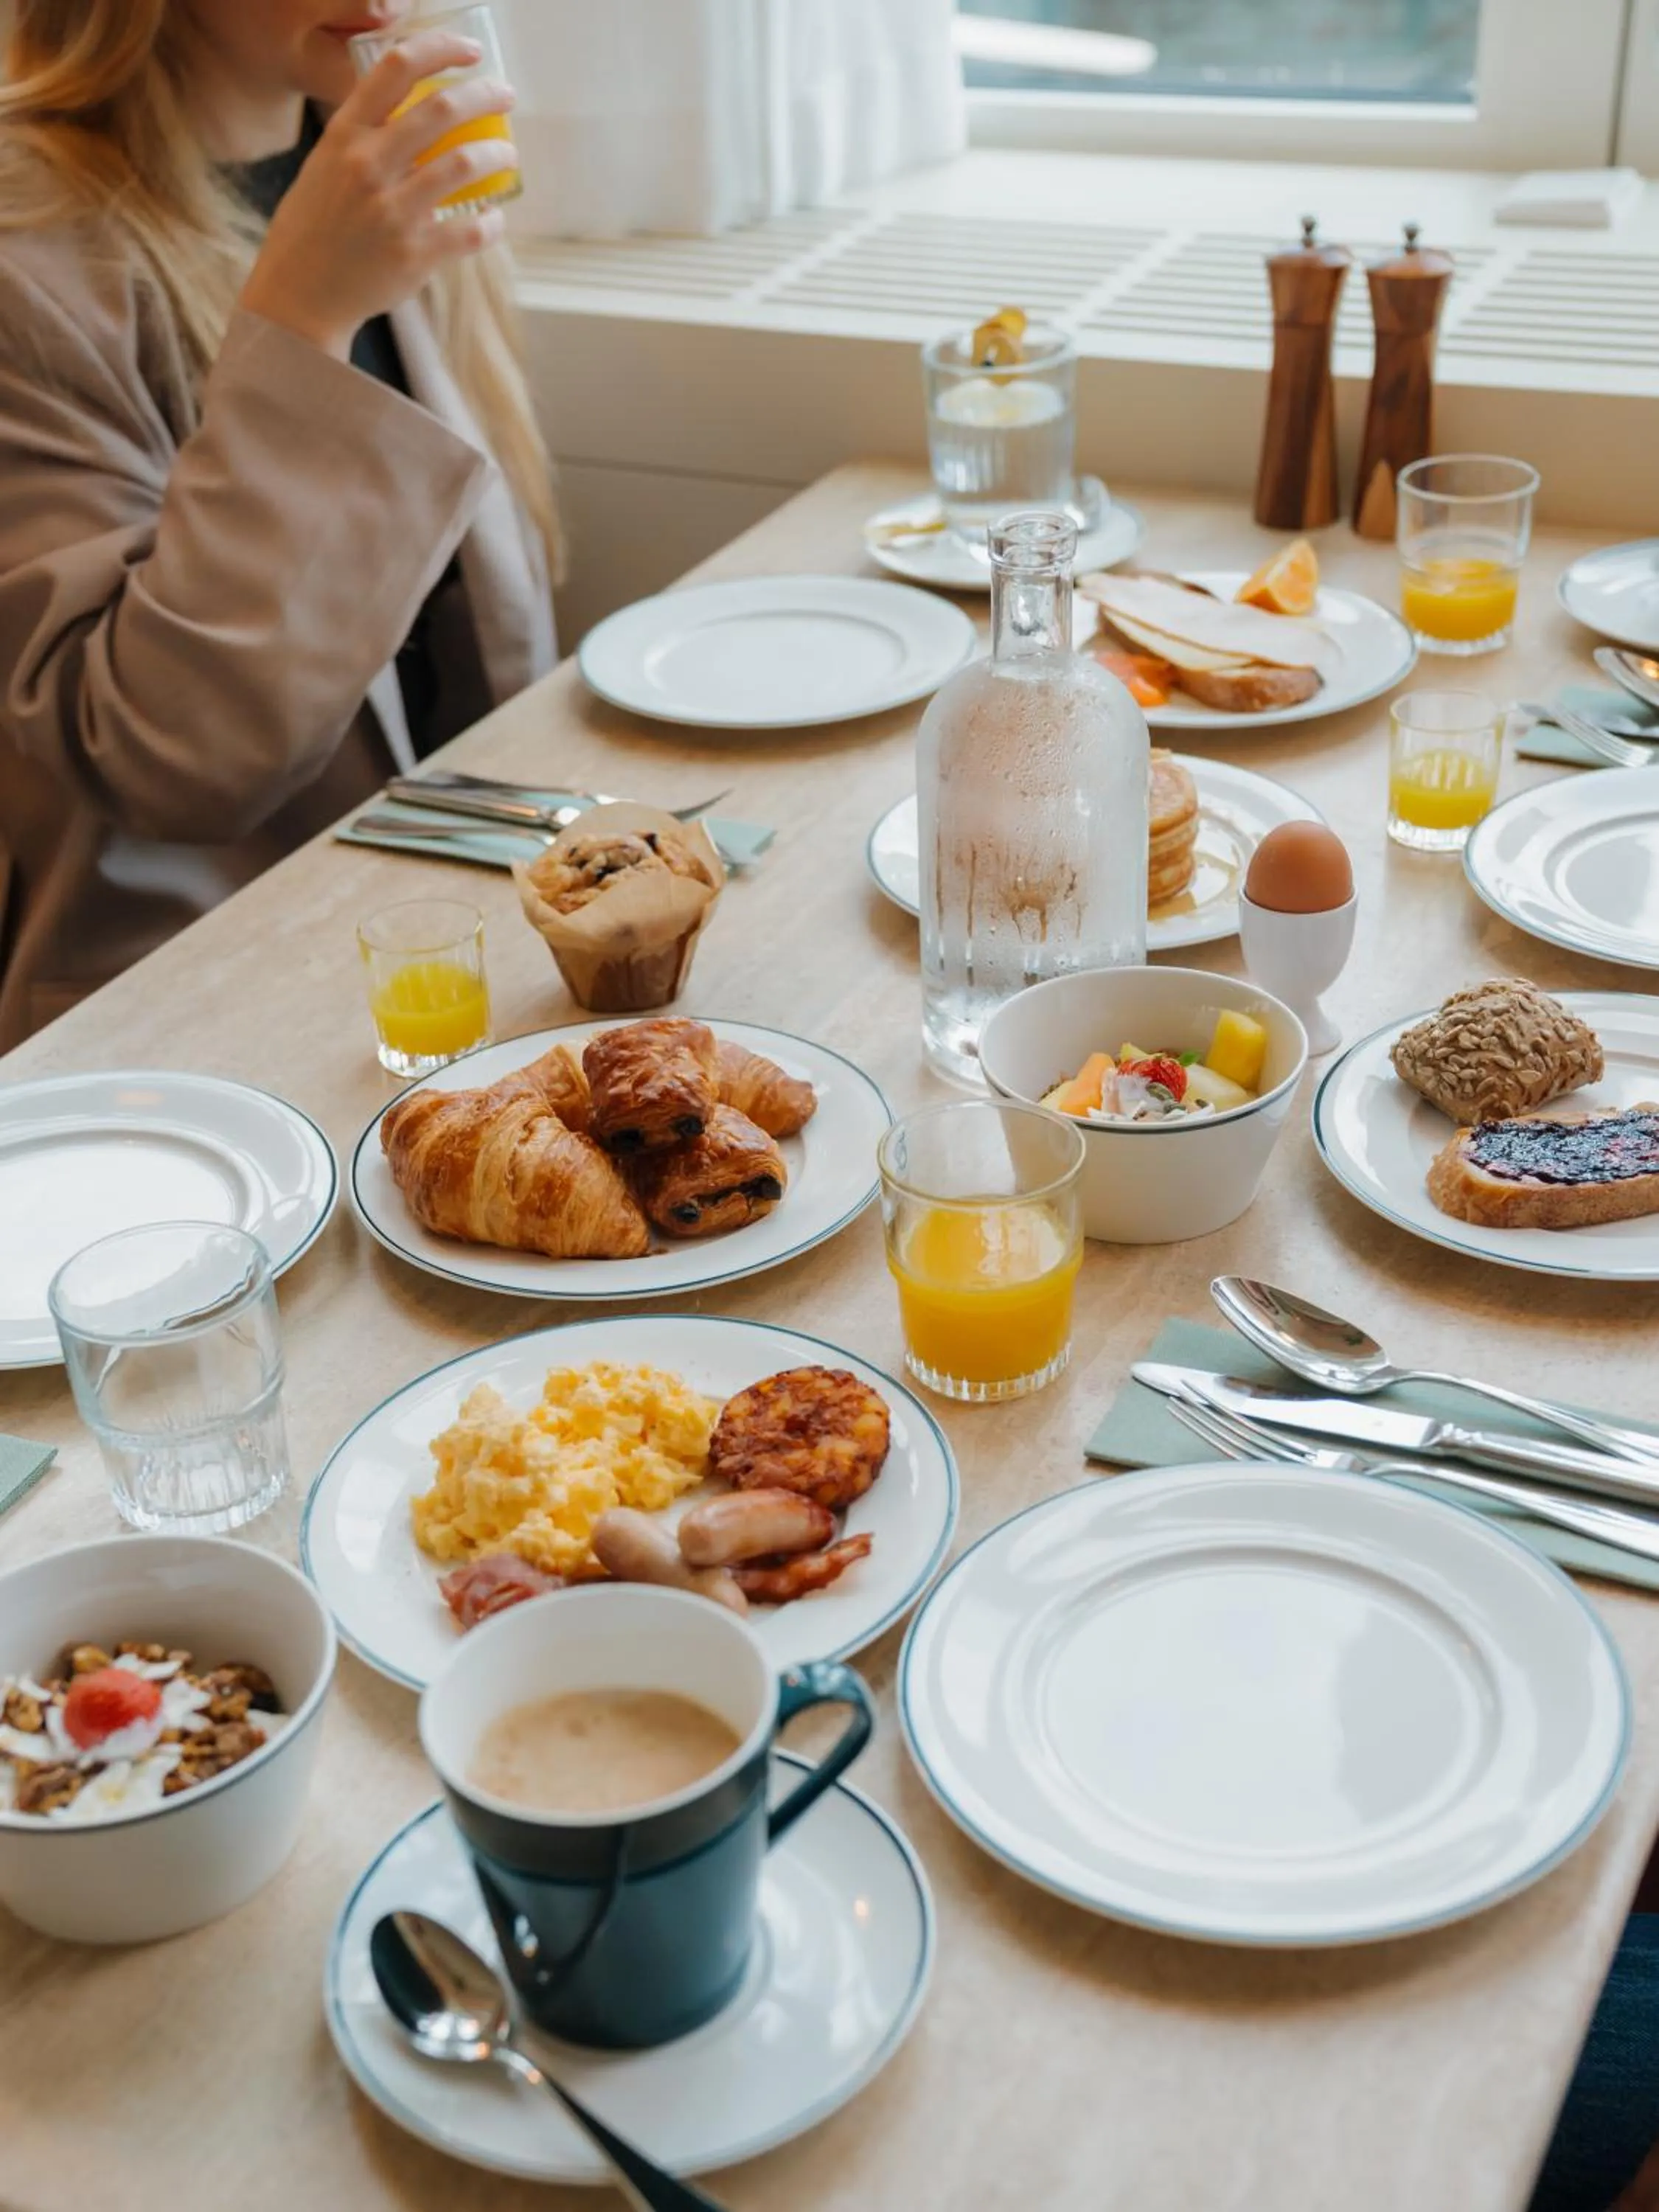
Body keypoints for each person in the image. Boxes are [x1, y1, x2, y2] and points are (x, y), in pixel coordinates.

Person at [0, 1, 558, 1047]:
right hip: (193, 1016)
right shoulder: (25, 251)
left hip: (448, 947)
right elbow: (163, 756)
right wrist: (303, 327)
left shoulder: (377, 162)